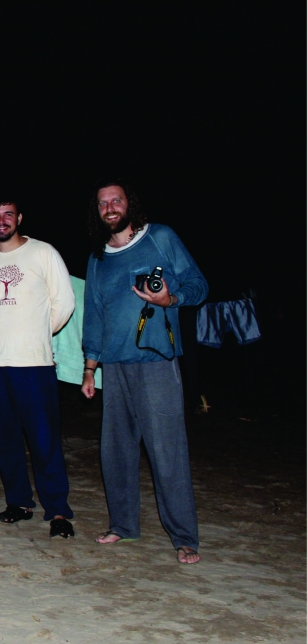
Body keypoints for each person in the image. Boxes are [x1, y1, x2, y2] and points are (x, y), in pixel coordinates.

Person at [80, 180, 207, 564]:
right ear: (98, 211)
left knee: (166, 451)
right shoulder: (98, 257)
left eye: (116, 200)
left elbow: (198, 285)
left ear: (129, 204)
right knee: (115, 451)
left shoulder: (161, 238)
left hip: (156, 361)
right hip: (114, 366)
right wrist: (90, 368)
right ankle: (123, 525)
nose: (110, 207)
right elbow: (94, 316)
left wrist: (171, 298)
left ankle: (184, 538)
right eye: (103, 203)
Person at [0, 200, 77, 539]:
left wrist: (38, 335)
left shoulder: (43, 253)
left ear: (19, 218)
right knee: (0, 442)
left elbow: (65, 302)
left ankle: (58, 510)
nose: (1, 221)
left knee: (44, 440)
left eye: (7, 214)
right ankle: (19, 502)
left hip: (33, 364)